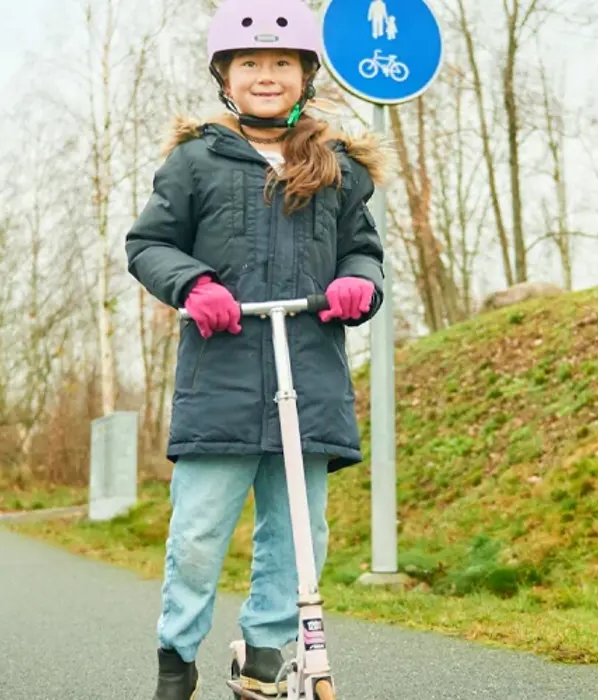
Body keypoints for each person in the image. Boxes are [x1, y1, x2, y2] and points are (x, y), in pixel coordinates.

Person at [123, 0, 386, 697]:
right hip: (223, 379)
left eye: (281, 64)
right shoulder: (196, 161)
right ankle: (177, 657)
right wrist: (193, 285)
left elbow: (363, 253)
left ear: (304, 75)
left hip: (310, 375)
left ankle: (266, 658)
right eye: (250, 64)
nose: (266, 76)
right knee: (200, 535)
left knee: (299, 534)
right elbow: (148, 245)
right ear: (225, 77)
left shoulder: (337, 169)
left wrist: (358, 283)